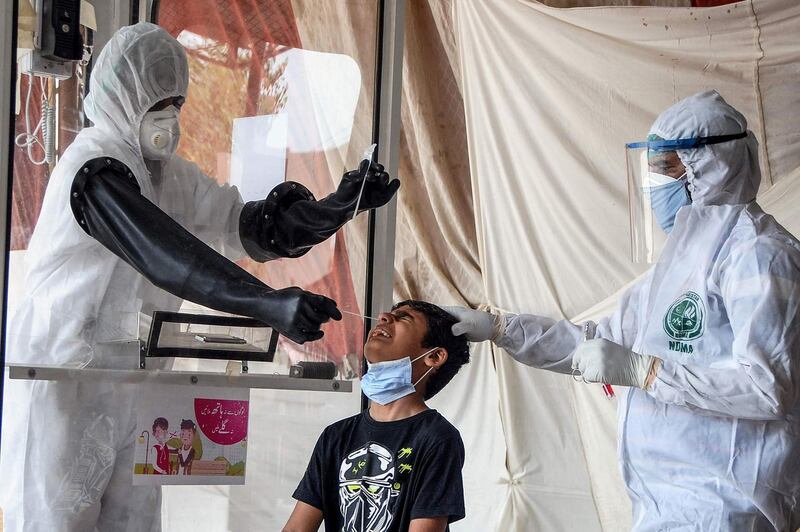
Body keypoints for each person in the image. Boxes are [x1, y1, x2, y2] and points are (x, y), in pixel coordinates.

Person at [0, 22, 398, 532]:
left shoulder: (171, 177)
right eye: (156, 101)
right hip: (64, 386)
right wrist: (267, 304)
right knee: (58, 522)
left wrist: (336, 208)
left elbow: (250, 226)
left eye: (177, 101)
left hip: (136, 386)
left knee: (136, 523)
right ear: (122, 98)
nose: (170, 115)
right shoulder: (93, 169)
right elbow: (166, 255)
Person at [446, 91, 800, 531]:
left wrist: (647, 373)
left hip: (728, 505)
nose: (656, 186)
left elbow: (768, 388)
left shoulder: (760, 255)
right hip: (662, 503)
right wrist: (503, 328)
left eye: (666, 169)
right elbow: (596, 343)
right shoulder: (673, 268)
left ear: (711, 165)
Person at [283, 301, 470, 532]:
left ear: (434, 356)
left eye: (404, 318)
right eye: (388, 314)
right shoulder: (336, 435)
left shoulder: (437, 438)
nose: (383, 317)